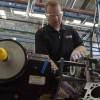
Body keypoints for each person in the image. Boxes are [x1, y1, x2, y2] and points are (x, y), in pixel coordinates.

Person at [35, 0, 86, 99]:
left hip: (72, 78)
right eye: (52, 16)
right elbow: (44, 58)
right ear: (46, 16)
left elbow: (82, 46)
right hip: (50, 79)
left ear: (62, 13)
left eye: (58, 15)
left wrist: (77, 51)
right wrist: (60, 78)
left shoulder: (70, 30)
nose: (56, 18)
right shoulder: (41, 34)